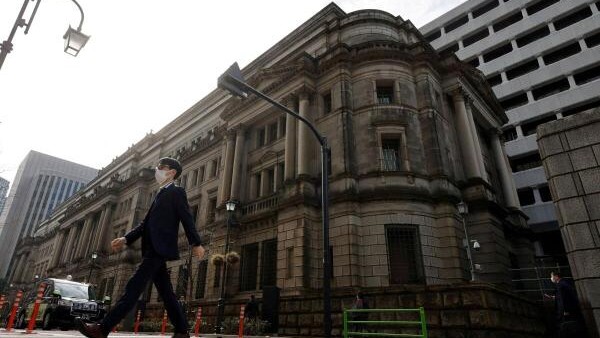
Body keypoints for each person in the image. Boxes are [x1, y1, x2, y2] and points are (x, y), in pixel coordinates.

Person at [76, 157, 205, 338]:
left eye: (162, 167)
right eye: (157, 166)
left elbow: (187, 217)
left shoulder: (176, 192)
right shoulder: (160, 194)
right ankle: (182, 331)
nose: (157, 169)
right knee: (167, 293)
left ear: (172, 172)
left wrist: (196, 243)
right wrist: (125, 238)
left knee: (133, 287)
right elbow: (145, 224)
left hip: (158, 249)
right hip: (153, 248)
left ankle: (102, 328)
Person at [546, 271, 586, 338]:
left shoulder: (560, 285)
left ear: (556, 276)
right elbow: (563, 296)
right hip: (570, 310)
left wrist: (565, 310)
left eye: (551, 276)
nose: (551, 278)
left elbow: (563, 299)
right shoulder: (564, 283)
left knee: (565, 329)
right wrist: (553, 297)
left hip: (565, 311)